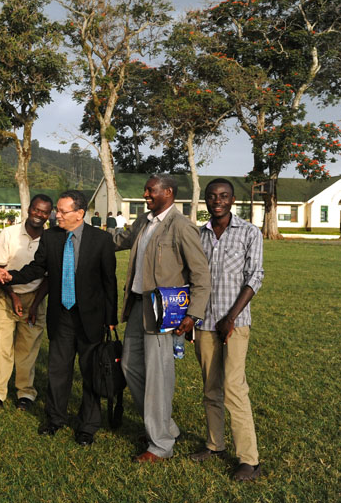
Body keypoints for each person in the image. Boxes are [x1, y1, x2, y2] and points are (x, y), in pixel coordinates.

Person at [0, 190, 117, 447]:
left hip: (91, 318)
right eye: (57, 211)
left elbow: (109, 281)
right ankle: (54, 419)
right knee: (58, 371)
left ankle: (87, 426)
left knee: (90, 372)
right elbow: (38, 268)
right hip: (61, 316)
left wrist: (110, 318)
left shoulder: (101, 240)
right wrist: (12, 276)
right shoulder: (51, 237)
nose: (56, 215)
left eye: (62, 211)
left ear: (79, 213)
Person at [113, 174, 211, 462]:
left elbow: (201, 275)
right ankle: (164, 426)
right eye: (146, 190)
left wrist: (193, 314)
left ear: (168, 192)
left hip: (163, 312)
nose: (146, 194)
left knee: (158, 377)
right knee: (130, 366)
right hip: (137, 305)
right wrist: (84, 233)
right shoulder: (144, 222)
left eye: (150, 190)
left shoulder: (181, 226)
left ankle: (160, 445)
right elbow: (120, 240)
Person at [190, 178, 264, 482]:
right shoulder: (199, 235)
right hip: (204, 323)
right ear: (206, 200)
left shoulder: (249, 232)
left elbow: (255, 277)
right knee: (211, 388)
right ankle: (215, 444)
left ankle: (249, 460)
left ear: (232, 200)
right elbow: (192, 277)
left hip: (235, 325)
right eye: (212, 196)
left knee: (234, 388)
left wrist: (231, 317)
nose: (217, 200)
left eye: (223, 196)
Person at [0, 195, 53, 413]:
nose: (39, 215)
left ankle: (25, 393)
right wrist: (13, 297)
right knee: (1, 347)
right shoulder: (9, 234)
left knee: (28, 350)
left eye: (44, 212)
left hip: (35, 298)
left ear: (49, 215)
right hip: (5, 296)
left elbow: (48, 277)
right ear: (29, 209)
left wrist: (35, 305)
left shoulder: (51, 239)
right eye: (36, 210)